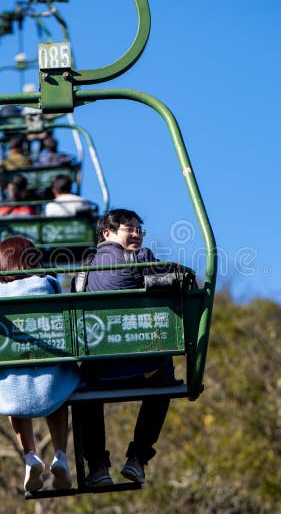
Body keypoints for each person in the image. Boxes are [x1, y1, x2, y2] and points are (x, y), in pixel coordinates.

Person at [0, 236, 80, 492]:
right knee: (56, 380)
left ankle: (30, 457)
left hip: (10, 383)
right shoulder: (47, 283)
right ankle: (60, 455)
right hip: (49, 379)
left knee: (12, 379)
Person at [77, 209, 176, 487]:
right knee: (165, 374)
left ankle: (97, 466)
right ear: (107, 233)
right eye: (128, 229)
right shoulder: (142, 259)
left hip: (99, 372)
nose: (136, 234)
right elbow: (174, 277)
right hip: (145, 370)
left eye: (138, 230)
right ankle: (138, 458)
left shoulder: (85, 267)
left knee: (83, 387)